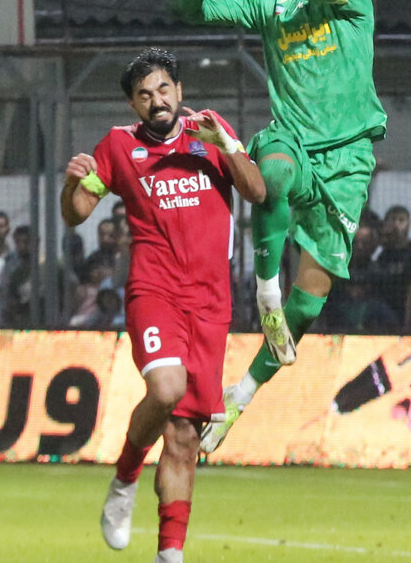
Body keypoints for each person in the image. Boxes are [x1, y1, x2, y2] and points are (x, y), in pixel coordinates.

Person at [168, 0, 385, 452]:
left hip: (347, 159)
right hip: (294, 140)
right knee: (276, 170)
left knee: (311, 297)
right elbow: (188, 9)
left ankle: (240, 394)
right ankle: (265, 283)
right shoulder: (271, 4)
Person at [61, 48, 264, 563]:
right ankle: (126, 476)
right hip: (155, 291)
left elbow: (257, 191)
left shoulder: (209, 129)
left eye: (163, 90)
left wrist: (229, 147)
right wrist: (72, 182)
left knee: (183, 438)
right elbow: (77, 213)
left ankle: (169, 555)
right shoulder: (118, 145)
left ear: (179, 90)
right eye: (144, 95)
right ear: (133, 104)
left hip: (211, 303)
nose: (157, 101)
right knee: (167, 387)